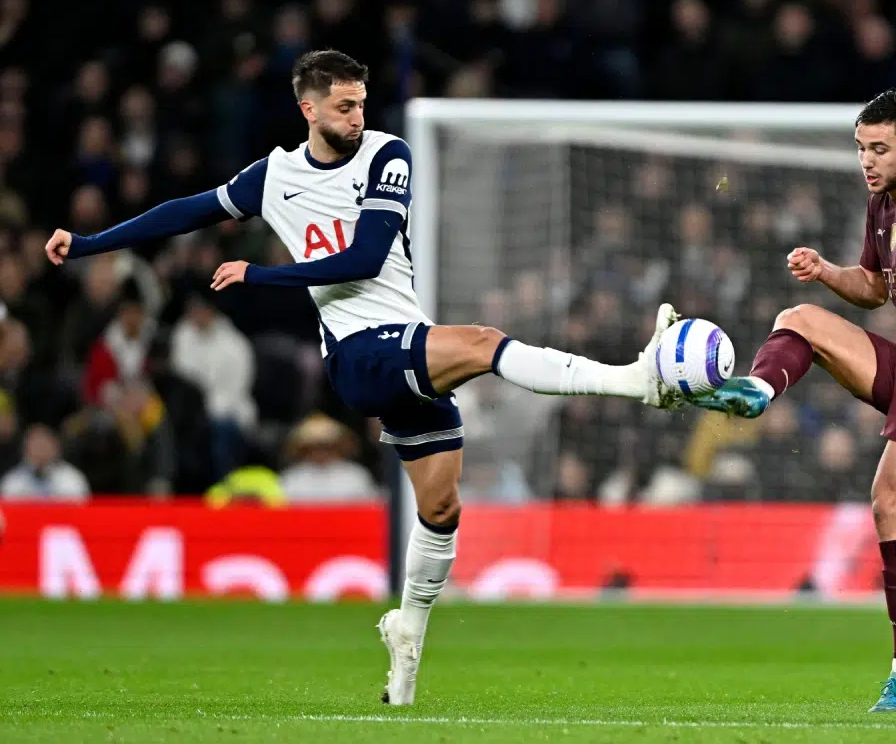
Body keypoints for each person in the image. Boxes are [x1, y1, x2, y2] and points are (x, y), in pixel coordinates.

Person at [45, 49, 681, 706]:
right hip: (358, 353)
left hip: (399, 348)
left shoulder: (387, 155)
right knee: (486, 343)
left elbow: (366, 256)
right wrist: (90, 244)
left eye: (361, 103)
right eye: (344, 106)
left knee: (440, 506)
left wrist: (261, 274)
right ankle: (637, 379)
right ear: (309, 109)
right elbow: (185, 210)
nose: (357, 116)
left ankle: (406, 642)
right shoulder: (275, 175)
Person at [694, 89, 896, 712]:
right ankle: (756, 391)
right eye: (861, 148)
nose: (866, 160)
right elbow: (872, 289)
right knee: (800, 315)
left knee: (889, 501)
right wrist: (827, 271)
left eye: (879, 149)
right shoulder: (881, 203)